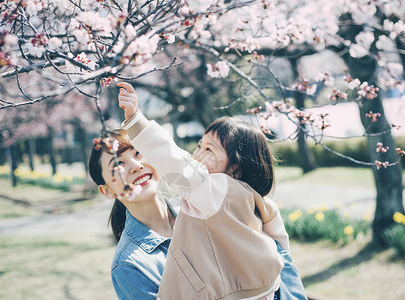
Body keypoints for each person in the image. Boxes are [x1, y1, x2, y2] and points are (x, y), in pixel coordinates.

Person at [117, 82, 306, 300]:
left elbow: (173, 160)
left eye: (209, 149)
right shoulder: (256, 199)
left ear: (235, 167)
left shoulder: (215, 188)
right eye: (199, 145)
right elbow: (280, 244)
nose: (197, 154)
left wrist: (135, 120)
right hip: (265, 287)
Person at [89, 130, 306, 300]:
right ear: (107, 191)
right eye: (118, 165)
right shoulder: (129, 265)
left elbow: (273, 256)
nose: (136, 166)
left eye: (138, 153)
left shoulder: (204, 205)